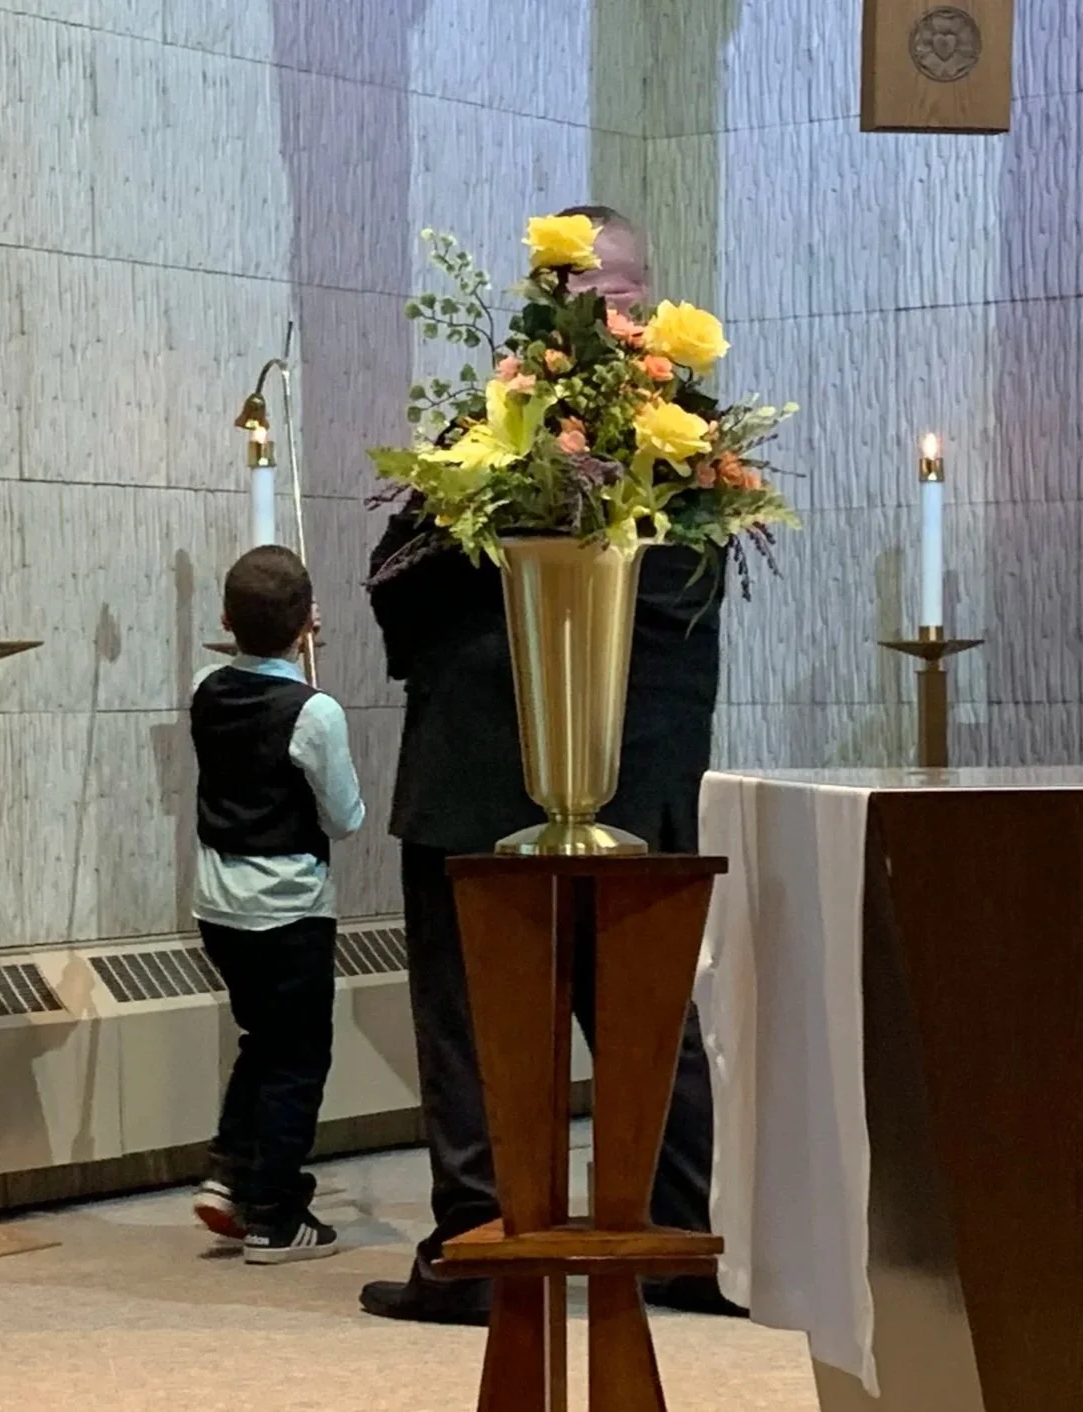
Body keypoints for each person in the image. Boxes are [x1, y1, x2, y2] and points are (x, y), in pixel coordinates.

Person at [358, 207, 739, 1324]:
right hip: (476, 773)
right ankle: (477, 1248)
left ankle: (674, 1240)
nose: (597, 311)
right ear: (535, 300)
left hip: (629, 778)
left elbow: (686, 609)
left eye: (615, 289)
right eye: (569, 288)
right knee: (471, 1033)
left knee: (649, 1034)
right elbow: (397, 578)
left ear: (652, 298)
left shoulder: (690, 445)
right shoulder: (480, 431)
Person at [188, 546, 366, 1264]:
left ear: (226, 620)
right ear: (306, 626)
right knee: (298, 1058)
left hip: (217, 906)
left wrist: (285, 643)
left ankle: (229, 1174)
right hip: (288, 908)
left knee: (262, 1039)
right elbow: (345, 817)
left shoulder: (205, 686)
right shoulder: (314, 711)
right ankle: (274, 1213)